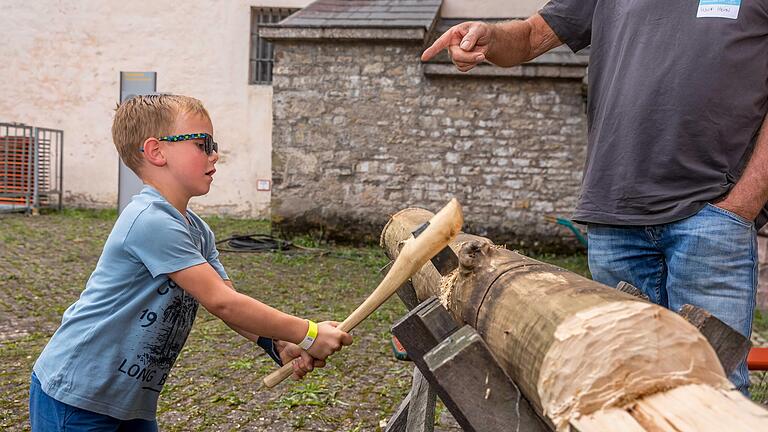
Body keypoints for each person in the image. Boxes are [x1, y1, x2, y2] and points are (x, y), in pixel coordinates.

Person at [422, 1, 768, 395]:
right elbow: (531, 36)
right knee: (625, 391)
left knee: (713, 393)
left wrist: (740, 206)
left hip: (711, 220)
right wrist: (490, 35)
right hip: (614, 221)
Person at [29, 94, 353, 431]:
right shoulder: (149, 220)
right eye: (203, 143)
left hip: (130, 402)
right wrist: (309, 333)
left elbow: (227, 297)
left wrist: (277, 343)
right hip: (76, 396)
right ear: (156, 152)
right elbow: (223, 302)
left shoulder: (197, 230)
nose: (215, 154)